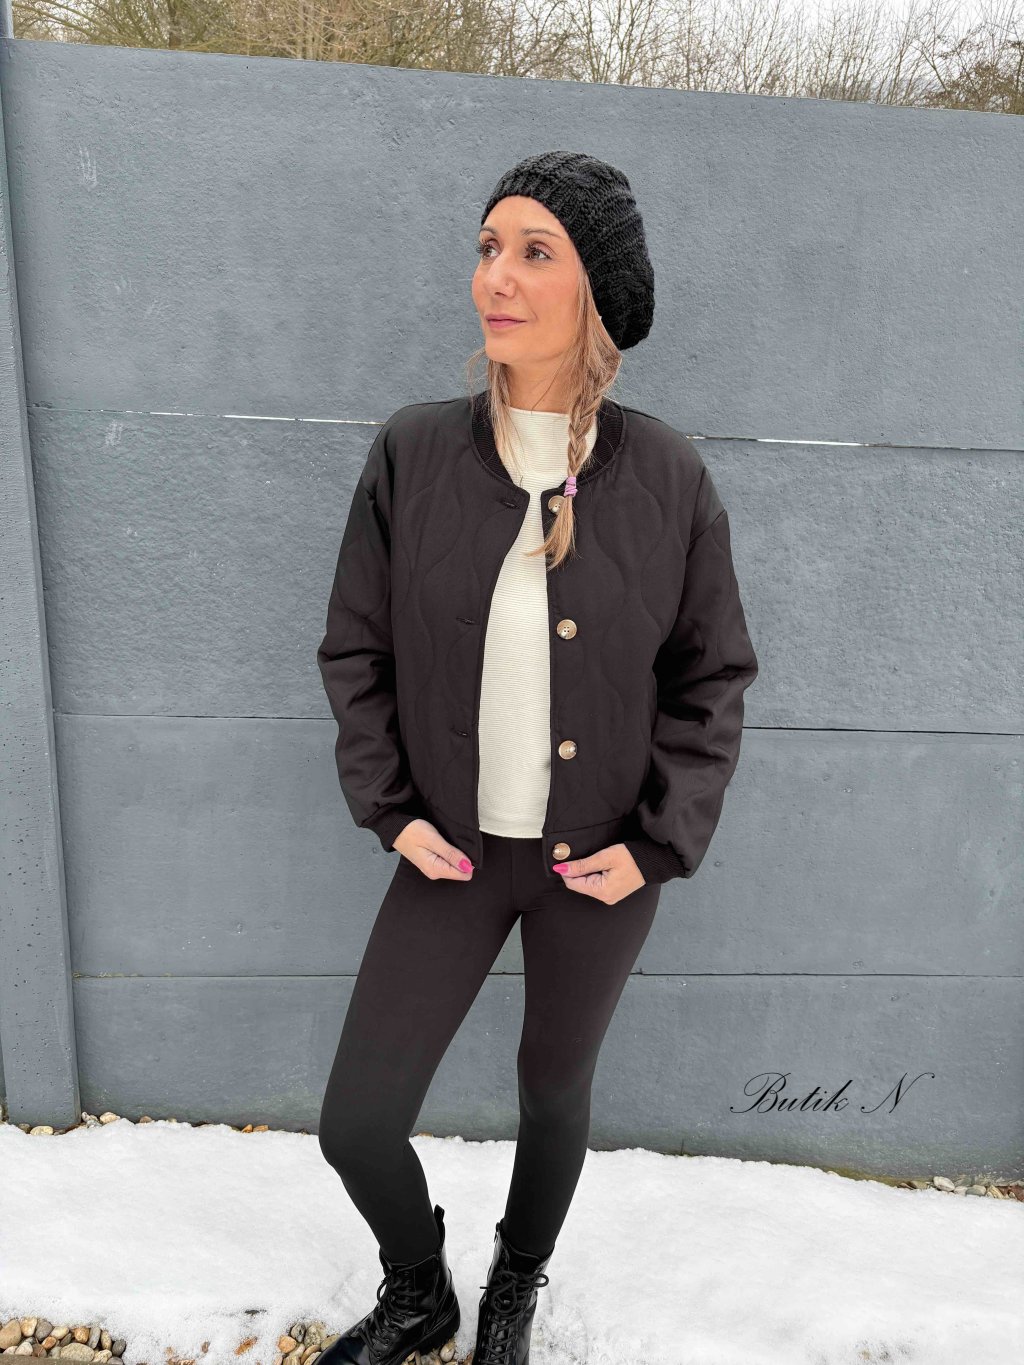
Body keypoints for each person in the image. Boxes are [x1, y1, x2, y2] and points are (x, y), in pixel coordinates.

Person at [314, 150, 759, 1365]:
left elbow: (711, 677)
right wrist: (390, 808)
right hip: (450, 853)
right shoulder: (413, 453)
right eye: (486, 247)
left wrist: (657, 845)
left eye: (532, 251)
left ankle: (515, 1282)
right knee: (357, 1120)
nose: (492, 278)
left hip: (595, 866)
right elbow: (355, 649)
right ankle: (419, 1289)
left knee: (554, 1093)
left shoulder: (667, 476)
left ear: (593, 291)